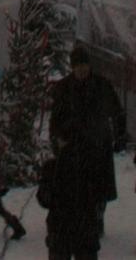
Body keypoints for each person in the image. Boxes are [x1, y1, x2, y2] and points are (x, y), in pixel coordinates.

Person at [49, 44, 123, 236]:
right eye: (77, 66)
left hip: (98, 144)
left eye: (84, 65)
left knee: (98, 186)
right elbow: (55, 118)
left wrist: (119, 136)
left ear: (89, 65)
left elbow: (117, 111)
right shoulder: (64, 88)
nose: (81, 69)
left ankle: (97, 216)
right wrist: (57, 140)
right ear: (72, 67)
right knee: (77, 186)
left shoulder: (102, 85)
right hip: (73, 145)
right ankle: (80, 218)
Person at [41, 139, 102, 260]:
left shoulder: (51, 167)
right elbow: (101, 193)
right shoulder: (91, 166)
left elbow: (44, 199)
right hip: (86, 227)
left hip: (59, 228)